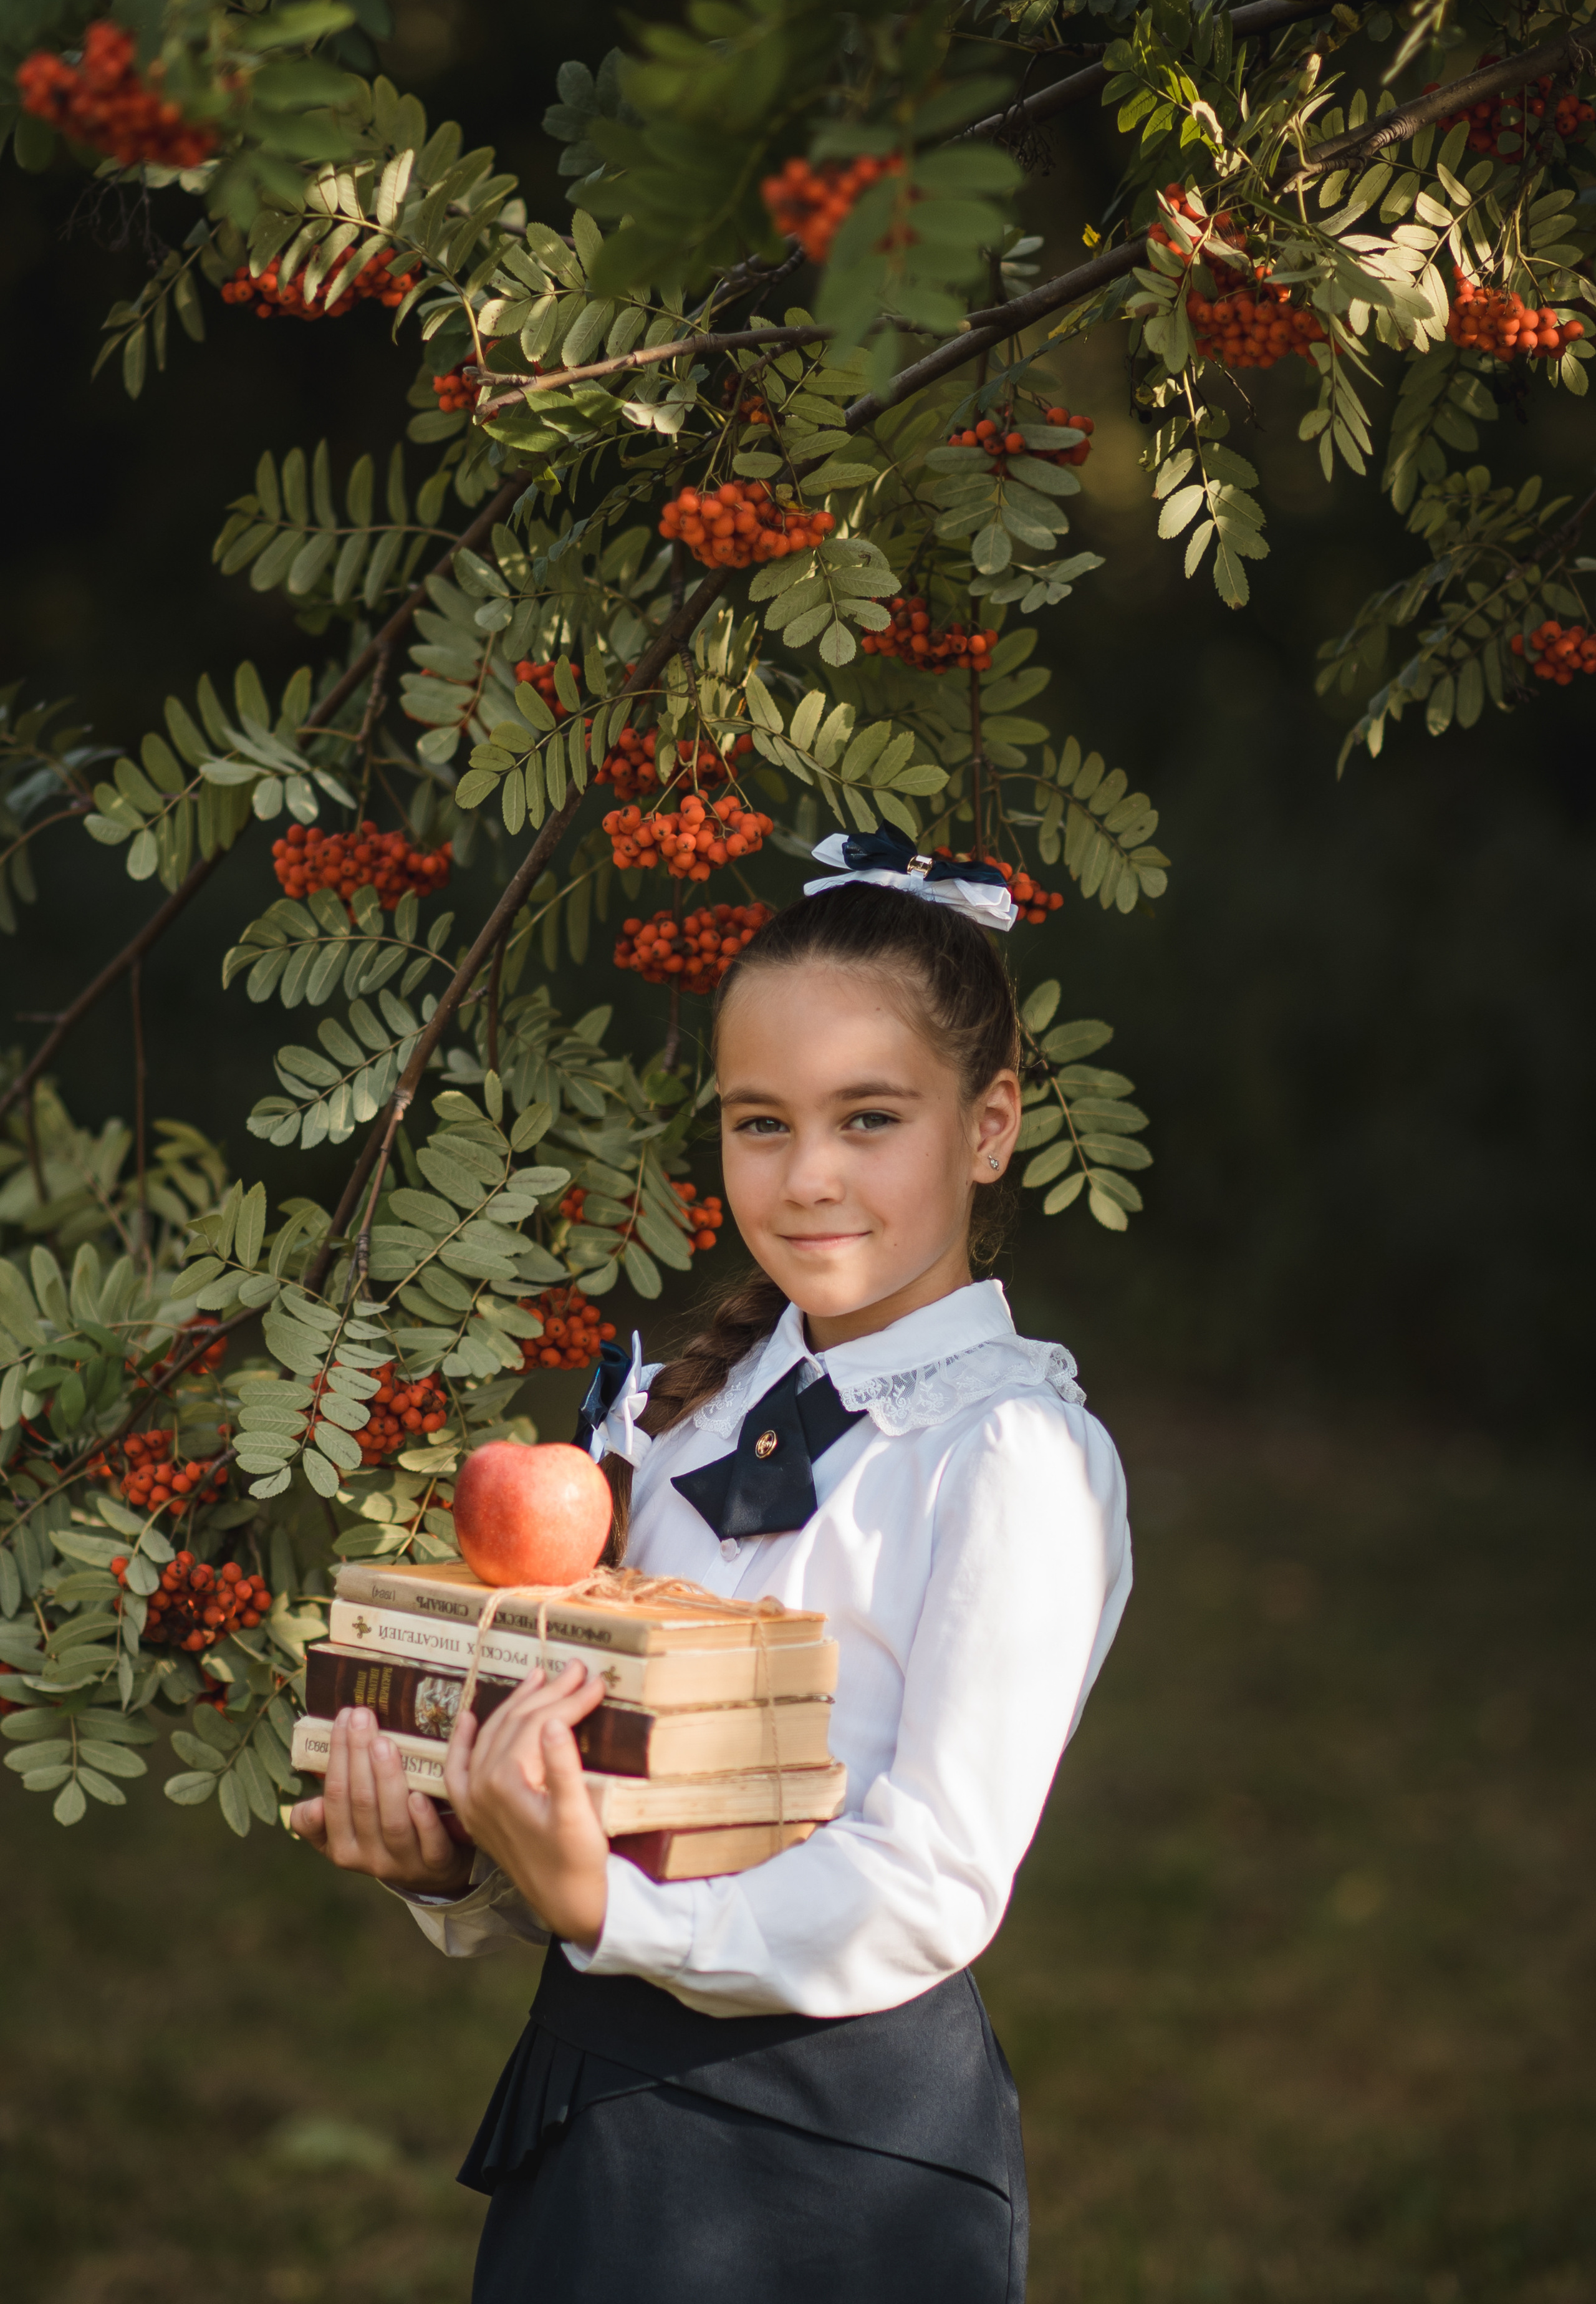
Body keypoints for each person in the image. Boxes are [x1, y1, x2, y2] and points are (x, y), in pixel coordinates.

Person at [289, 837, 1132, 2304]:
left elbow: (929, 1879)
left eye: (870, 1119)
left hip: (838, 2159)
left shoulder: (1009, 1458)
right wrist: (468, 1859)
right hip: (596, 2111)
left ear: (990, 1125)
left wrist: (614, 1916)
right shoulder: (670, 1415)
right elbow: (611, 1770)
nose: (808, 1177)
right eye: (760, 1123)